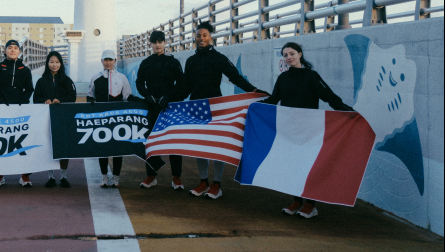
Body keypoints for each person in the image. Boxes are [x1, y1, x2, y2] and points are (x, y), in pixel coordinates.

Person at [260, 42, 354, 219]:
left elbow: (330, 97)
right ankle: (297, 201)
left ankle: (311, 204)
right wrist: (254, 107)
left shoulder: (311, 76)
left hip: (309, 129)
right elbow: (273, 100)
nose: (289, 57)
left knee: (307, 166)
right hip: (289, 129)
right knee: (292, 166)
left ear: (300, 54)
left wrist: (349, 111)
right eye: (286, 55)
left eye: (292, 53)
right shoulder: (283, 78)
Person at [177, 21, 269, 200]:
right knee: (200, 146)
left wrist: (253, 90)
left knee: (217, 144)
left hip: (216, 106)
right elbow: (185, 87)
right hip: (196, 107)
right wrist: (170, 100)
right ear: (194, 38)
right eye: (198, 36)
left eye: (204, 35)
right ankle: (203, 181)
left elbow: (234, 77)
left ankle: (216, 185)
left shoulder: (218, 58)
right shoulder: (191, 61)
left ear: (210, 37)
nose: (201, 38)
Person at [136, 30, 185, 190]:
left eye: (160, 41)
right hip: (152, 107)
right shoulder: (146, 63)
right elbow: (139, 83)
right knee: (151, 140)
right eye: (154, 42)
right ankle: (151, 175)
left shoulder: (173, 62)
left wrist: (168, 97)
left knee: (174, 140)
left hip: (170, 107)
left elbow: (181, 83)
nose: (157, 45)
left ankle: (176, 177)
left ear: (165, 43)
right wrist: (147, 96)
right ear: (150, 44)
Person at [0, 39, 35, 187]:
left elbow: (29, 89)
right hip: (1, 110)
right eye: (10, 48)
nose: (13, 50)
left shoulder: (25, 70)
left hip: (20, 111)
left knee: (21, 142)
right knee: (0, 141)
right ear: (5, 51)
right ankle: (0, 174)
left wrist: (22, 102)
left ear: (19, 51)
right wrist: (0, 103)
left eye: (15, 48)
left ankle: (24, 174)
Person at [87, 50, 132, 188]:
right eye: (105, 60)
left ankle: (116, 177)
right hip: (101, 120)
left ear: (115, 61)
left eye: (110, 60)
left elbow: (127, 96)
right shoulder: (95, 77)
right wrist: (91, 102)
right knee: (103, 148)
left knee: (117, 148)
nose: (108, 62)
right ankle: (104, 176)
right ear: (101, 61)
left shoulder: (122, 77)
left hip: (117, 119)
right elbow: (90, 95)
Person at [33, 51, 76, 188]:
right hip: (47, 118)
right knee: (48, 146)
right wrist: (44, 101)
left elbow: (72, 97)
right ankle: (50, 176)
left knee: (63, 146)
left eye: (57, 62)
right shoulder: (41, 81)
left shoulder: (67, 80)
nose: (54, 64)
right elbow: (36, 99)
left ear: (61, 64)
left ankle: (63, 176)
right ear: (47, 63)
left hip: (63, 118)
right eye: (51, 62)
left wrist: (61, 100)